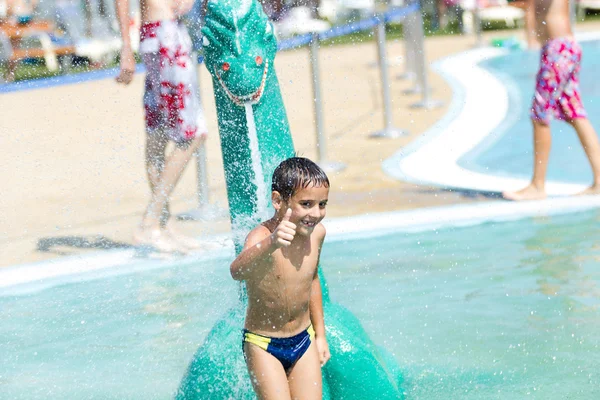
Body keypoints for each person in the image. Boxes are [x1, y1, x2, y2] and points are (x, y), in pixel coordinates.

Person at [230, 157, 331, 399]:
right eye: (306, 204)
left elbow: (312, 279)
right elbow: (237, 272)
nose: (315, 213)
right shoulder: (261, 236)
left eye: (322, 204)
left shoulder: (317, 234)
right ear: (278, 201)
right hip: (264, 343)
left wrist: (320, 335)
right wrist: (271, 244)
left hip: (303, 340)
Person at [114, 0, 208, 252]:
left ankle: (165, 226)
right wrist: (125, 47)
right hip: (165, 37)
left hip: (160, 33)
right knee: (193, 133)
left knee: (158, 136)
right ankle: (150, 222)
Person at [503, 0, 600, 201]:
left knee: (539, 115)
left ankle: (537, 186)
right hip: (558, 49)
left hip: (559, 50)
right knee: (575, 114)